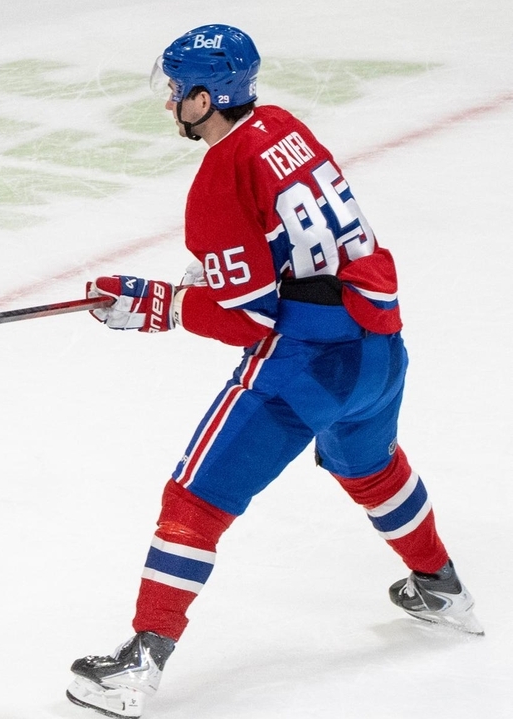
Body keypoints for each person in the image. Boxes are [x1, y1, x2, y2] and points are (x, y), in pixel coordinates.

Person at [64, 25, 482, 718]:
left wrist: (162, 304)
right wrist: (217, 277)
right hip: (379, 344)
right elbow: (291, 238)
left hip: (307, 367)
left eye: (176, 91)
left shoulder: (214, 184)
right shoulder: (282, 125)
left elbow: (248, 321)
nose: (169, 103)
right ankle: (442, 586)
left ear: (204, 99)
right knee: (372, 466)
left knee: (195, 501)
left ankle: (138, 663)